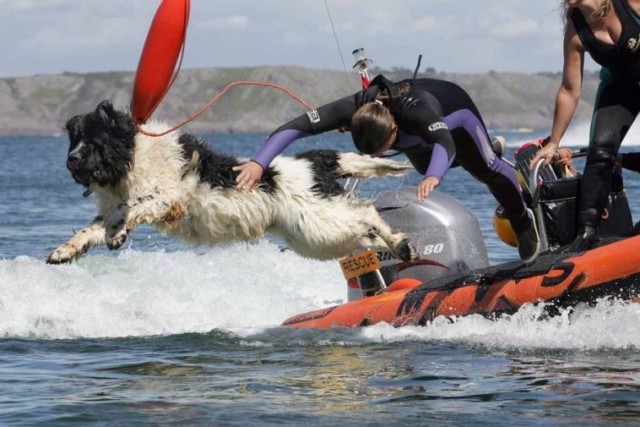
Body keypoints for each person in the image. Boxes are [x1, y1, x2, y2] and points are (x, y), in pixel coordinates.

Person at [234, 74, 541, 262]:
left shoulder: (415, 114)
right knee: (422, 166)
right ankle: (449, 160)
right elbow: (296, 127)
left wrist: (436, 175)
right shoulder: (353, 109)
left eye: (381, 149)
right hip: (416, 137)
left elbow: (444, 142)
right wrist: (259, 163)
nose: (380, 155)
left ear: (393, 127)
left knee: (483, 168)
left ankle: (523, 221)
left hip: (453, 117)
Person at [530, 0, 640, 252]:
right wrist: (553, 142)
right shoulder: (576, 29)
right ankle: (586, 234)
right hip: (619, 91)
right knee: (599, 152)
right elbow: (569, 91)